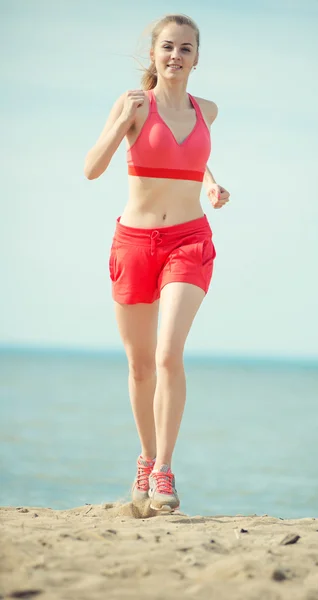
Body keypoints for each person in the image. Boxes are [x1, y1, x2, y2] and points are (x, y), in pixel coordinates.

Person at [84, 13, 230, 513]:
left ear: (196, 57)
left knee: (169, 354)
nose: (176, 55)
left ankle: (164, 470)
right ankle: (145, 457)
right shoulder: (134, 104)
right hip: (133, 242)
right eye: (168, 47)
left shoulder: (206, 110)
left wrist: (209, 182)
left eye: (186, 48)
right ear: (153, 53)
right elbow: (92, 168)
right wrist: (121, 125)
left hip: (189, 239)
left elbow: (188, 147)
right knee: (141, 364)